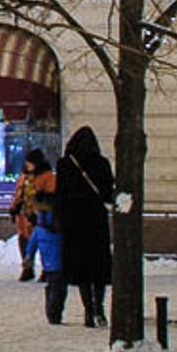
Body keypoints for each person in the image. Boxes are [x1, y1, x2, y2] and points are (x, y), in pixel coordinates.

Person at [54, 125, 115, 329]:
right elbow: (108, 193)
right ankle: (100, 308)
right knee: (97, 267)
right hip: (96, 221)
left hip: (74, 222)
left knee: (81, 269)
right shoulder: (102, 163)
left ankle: (88, 310)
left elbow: (60, 196)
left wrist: (60, 219)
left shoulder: (65, 164)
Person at [7, 147, 54, 283]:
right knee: (24, 242)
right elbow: (18, 193)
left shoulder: (47, 176)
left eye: (30, 162)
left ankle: (47, 270)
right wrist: (14, 207)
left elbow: (51, 196)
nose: (27, 165)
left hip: (40, 217)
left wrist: (41, 204)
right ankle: (27, 268)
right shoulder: (24, 176)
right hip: (24, 216)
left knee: (43, 244)